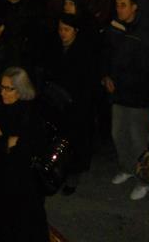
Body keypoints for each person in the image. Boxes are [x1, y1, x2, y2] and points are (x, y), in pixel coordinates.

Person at [102, 0, 149, 201]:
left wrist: (145, 93)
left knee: (137, 140)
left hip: (137, 96)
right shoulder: (114, 27)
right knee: (118, 133)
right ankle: (126, 167)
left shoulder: (145, 31)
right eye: (117, 5)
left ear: (134, 6)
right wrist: (106, 75)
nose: (119, 9)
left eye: (123, 5)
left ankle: (145, 179)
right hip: (118, 94)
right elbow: (106, 53)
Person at [0, 67, 49, 242]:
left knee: (27, 218)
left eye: (9, 89)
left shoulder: (32, 112)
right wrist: (8, 142)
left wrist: (4, 142)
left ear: (21, 90)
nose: (3, 93)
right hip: (4, 172)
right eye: (2, 87)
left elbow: (30, 147)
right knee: (5, 217)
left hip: (25, 177)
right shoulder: (0, 108)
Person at [44, 13, 97, 195]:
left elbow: (86, 81)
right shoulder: (55, 47)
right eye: (60, 29)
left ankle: (73, 176)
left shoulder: (83, 52)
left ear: (75, 31)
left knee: (75, 142)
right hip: (57, 104)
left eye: (66, 30)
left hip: (77, 105)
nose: (62, 33)